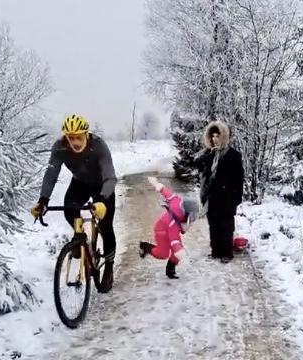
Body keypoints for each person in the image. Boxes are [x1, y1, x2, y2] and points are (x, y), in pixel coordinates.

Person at [30, 114, 118, 293]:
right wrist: (43, 200)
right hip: (80, 184)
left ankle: (109, 266)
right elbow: (51, 174)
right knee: (70, 210)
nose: (75, 142)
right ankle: (80, 239)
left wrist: (101, 200)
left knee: (106, 225)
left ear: (86, 134)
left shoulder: (98, 146)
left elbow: (110, 177)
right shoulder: (60, 148)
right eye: (71, 138)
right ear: (65, 137)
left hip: (102, 186)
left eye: (79, 137)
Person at [196, 120, 244, 263]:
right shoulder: (208, 155)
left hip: (227, 196)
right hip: (212, 197)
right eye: (213, 137)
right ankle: (216, 251)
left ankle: (226, 252)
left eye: (217, 136)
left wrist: (237, 196)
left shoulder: (232, 155)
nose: (215, 139)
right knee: (214, 224)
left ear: (223, 136)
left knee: (226, 225)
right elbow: (202, 173)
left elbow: (239, 177)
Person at [139, 176, 200, 279]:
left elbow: (167, 194)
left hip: (170, 229)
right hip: (161, 231)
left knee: (176, 253)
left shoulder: (177, 202)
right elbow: (174, 241)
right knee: (163, 254)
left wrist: (157, 185)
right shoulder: (173, 224)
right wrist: (181, 254)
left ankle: (170, 270)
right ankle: (145, 247)